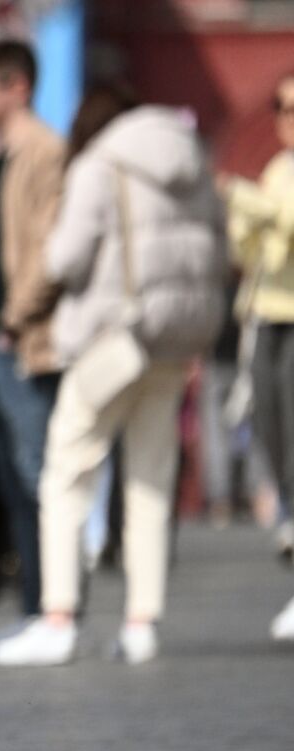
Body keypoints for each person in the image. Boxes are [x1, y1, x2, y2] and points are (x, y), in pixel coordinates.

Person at [0, 86, 225, 666]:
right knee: (150, 480)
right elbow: (219, 249)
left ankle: (60, 617)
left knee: (68, 473)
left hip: (111, 336)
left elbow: (67, 257)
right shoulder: (194, 160)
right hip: (174, 339)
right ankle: (142, 622)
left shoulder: (101, 163)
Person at [0, 39, 67, 628]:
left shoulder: (45, 150)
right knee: (8, 481)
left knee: (36, 478)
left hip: (21, 341)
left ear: (18, 86)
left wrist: (10, 320)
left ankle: (51, 608)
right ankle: (33, 606)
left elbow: (49, 247)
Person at [226, 72, 294, 564]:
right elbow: (249, 245)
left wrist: (239, 194)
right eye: (282, 107)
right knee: (270, 427)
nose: (288, 120)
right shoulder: (277, 167)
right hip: (266, 313)